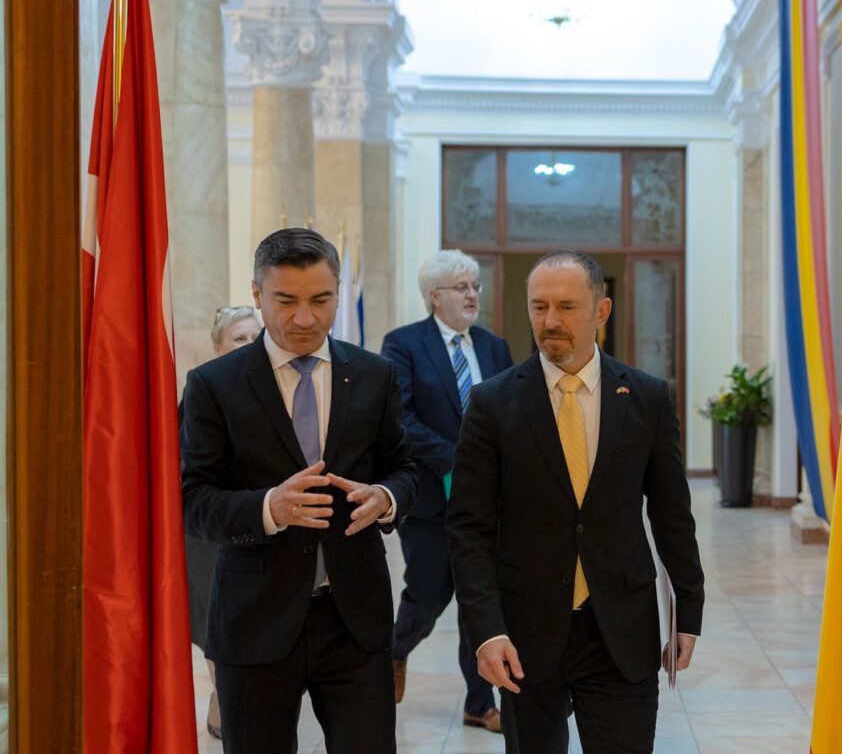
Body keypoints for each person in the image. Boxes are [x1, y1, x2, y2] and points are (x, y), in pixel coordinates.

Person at [447, 250, 704, 754]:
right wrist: (486, 630)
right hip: (525, 634)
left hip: (621, 631)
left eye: (566, 307)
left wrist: (688, 613)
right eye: (539, 306)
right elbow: (468, 528)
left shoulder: (647, 398)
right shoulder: (492, 403)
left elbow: (673, 514)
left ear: (601, 311)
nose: (550, 321)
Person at [181, 228, 417, 754]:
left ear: (338, 292)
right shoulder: (214, 385)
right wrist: (268, 507)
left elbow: (405, 468)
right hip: (254, 620)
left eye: (321, 300)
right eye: (286, 301)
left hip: (354, 620)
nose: (305, 318)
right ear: (257, 294)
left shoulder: (375, 375)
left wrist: (386, 499)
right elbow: (192, 501)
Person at [382, 250, 513, 733]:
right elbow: (401, 417)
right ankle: (394, 650)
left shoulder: (494, 347)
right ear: (435, 296)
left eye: (475, 286)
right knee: (429, 594)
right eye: (462, 288)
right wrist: (461, 458)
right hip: (431, 499)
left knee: (480, 598)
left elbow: (511, 411)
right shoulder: (404, 344)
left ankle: (480, 703)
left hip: (486, 502)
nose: (473, 295)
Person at [186, 305, 262, 740]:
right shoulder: (202, 388)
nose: (250, 345)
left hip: (261, 524)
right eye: (239, 339)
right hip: (209, 532)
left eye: (255, 337)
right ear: (218, 347)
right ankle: (222, 696)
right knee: (215, 621)